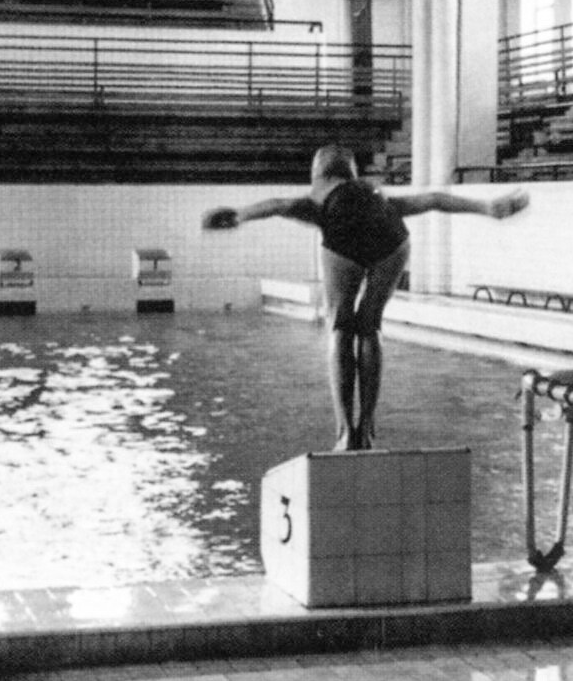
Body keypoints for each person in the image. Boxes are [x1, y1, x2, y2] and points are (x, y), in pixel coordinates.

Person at [202, 144, 529, 451]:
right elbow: (431, 200)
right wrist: (486, 207)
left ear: (319, 174)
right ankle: (368, 426)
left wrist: (239, 215)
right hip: (393, 241)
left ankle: (345, 431)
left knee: (341, 327)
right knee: (370, 326)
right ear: (353, 173)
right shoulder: (376, 194)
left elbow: (278, 205)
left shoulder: (319, 195)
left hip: (344, 239)